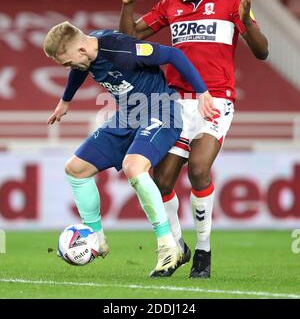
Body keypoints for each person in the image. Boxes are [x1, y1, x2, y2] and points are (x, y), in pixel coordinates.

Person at [113, 0, 269, 278]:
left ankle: (203, 251)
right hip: (176, 103)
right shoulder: (170, 6)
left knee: (198, 170)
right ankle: (178, 246)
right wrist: (128, 5)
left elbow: (262, 50)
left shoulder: (231, 1)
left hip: (215, 100)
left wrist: (247, 17)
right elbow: (130, 40)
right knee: (161, 179)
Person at [44, 21, 216, 277]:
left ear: (80, 49)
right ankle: (96, 238)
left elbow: (172, 54)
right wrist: (65, 100)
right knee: (75, 169)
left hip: (162, 112)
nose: (68, 68)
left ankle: (168, 246)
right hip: (128, 117)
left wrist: (202, 92)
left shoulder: (122, 49)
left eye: (67, 62)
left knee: (133, 167)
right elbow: (80, 70)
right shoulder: (86, 54)